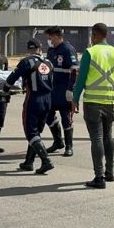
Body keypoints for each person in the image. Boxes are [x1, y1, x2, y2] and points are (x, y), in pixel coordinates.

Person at [72, 23, 114, 189]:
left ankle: (99, 177)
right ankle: (110, 173)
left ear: (94, 36)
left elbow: (81, 79)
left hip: (93, 103)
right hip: (110, 102)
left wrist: (75, 98)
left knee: (96, 138)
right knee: (108, 137)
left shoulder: (90, 52)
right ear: (107, 35)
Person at [5, 39, 55, 174]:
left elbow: (13, 77)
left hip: (34, 99)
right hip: (47, 100)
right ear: (40, 48)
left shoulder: (27, 62)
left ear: (28, 50)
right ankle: (29, 162)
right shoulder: (49, 63)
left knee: (31, 132)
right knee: (36, 132)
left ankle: (46, 161)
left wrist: (6, 88)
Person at [44, 26, 79, 157]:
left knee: (66, 119)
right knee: (48, 115)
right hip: (52, 91)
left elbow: (75, 70)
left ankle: (69, 146)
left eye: (51, 37)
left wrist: (71, 89)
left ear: (58, 37)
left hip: (65, 91)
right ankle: (58, 141)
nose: (49, 40)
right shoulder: (51, 50)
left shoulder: (68, 49)